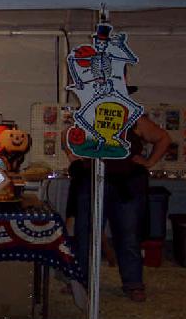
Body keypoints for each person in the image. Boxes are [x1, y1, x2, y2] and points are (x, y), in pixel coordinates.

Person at [66, 106, 171, 303]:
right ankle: (81, 281)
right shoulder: (88, 114)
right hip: (92, 181)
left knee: (128, 234)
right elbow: (70, 139)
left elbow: (163, 138)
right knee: (85, 233)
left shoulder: (133, 118)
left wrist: (149, 162)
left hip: (126, 183)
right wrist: (76, 159)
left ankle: (133, 283)